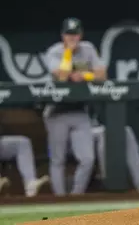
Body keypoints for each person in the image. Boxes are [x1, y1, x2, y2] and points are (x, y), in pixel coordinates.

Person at [44, 18, 104, 195]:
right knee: (58, 160)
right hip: (56, 111)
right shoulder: (54, 52)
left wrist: (85, 76)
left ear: (81, 35)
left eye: (75, 34)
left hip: (79, 111)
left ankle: (75, 197)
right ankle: (59, 200)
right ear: (63, 35)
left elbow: (102, 74)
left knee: (87, 158)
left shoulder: (88, 49)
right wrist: (68, 53)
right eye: (69, 34)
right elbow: (61, 77)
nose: (73, 38)